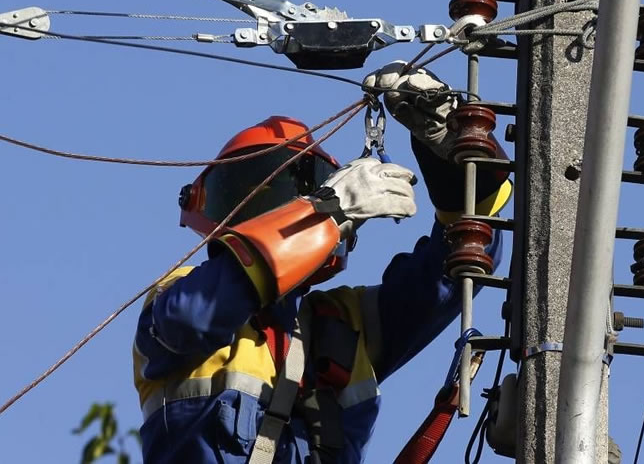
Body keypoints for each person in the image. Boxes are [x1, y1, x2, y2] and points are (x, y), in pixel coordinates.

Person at [131, 62, 512, 464]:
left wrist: (455, 146)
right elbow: (195, 316)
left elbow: (461, 263)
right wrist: (323, 214)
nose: (274, 206)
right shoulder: (176, 300)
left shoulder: (343, 325)